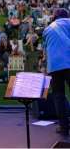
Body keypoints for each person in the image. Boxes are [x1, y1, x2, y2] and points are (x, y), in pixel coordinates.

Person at [43, 8, 70, 136]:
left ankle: (63, 127)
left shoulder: (47, 29)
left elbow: (46, 51)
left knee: (59, 96)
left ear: (54, 17)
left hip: (54, 67)